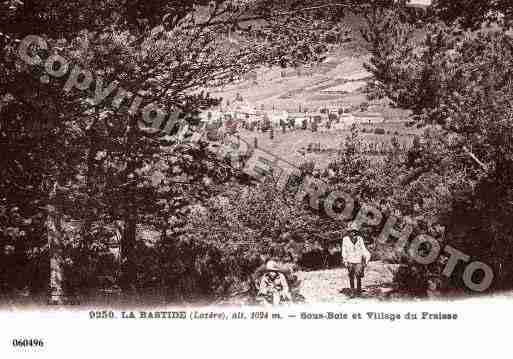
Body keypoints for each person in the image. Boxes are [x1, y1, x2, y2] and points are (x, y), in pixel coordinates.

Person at [342, 222, 371, 297]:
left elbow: (363, 249)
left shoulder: (360, 239)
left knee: (358, 275)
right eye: (352, 231)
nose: (354, 233)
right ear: (349, 232)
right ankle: (352, 291)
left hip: (358, 260)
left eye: (355, 231)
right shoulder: (345, 239)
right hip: (350, 260)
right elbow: (344, 250)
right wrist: (345, 260)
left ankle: (359, 290)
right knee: (351, 276)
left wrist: (367, 257)